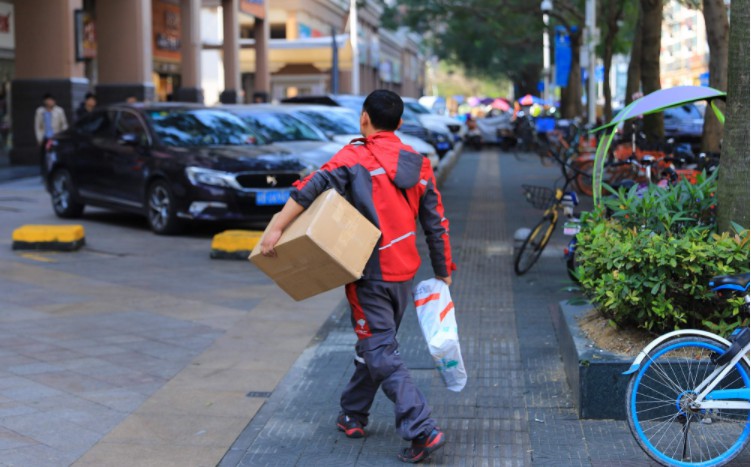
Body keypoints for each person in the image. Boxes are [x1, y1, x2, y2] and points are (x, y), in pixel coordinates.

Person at [260, 89, 455, 463]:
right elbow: (437, 223)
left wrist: (275, 229)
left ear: (364, 118)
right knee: (375, 346)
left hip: (368, 273)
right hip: (403, 273)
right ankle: (353, 413)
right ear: (399, 123)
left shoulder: (355, 156)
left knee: (379, 350)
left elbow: (309, 187)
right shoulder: (420, 164)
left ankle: (422, 428)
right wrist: (443, 271)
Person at [34, 93, 68, 168]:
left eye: (52, 100)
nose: (50, 102)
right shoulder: (40, 111)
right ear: (45, 101)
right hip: (45, 137)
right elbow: (37, 126)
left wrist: (62, 135)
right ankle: (45, 173)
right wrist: (39, 138)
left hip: (56, 137)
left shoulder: (59, 111)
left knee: (56, 157)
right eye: (48, 100)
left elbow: (64, 124)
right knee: (44, 157)